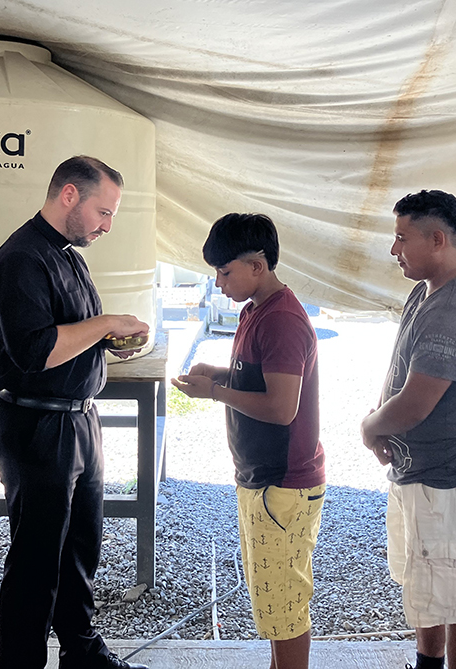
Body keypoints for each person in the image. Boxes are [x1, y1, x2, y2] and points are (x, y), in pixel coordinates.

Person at [0, 156, 149, 669]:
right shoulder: (21, 258)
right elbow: (34, 351)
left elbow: (71, 337)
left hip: (77, 420)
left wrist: (105, 343)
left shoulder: (68, 254)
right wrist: (102, 326)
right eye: (104, 212)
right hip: (37, 426)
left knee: (80, 553)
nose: (107, 225)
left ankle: (83, 656)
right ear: (70, 196)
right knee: (36, 564)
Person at [171, 213, 325, 669]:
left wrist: (216, 392)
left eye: (225, 271)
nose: (218, 282)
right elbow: (260, 380)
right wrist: (219, 373)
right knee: (275, 604)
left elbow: (282, 408)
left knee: (287, 606)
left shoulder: (281, 321)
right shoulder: (256, 310)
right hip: (264, 479)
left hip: (283, 482)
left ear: (257, 265)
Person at [360, 190, 456, 669]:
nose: (394, 249)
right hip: (421, 475)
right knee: (426, 584)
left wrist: (369, 427)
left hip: (450, 481)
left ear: (437, 239)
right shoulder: (425, 291)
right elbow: (401, 369)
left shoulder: (454, 308)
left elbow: (418, 401)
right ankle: (426, 662)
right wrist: (382, 421)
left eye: (402, 238)